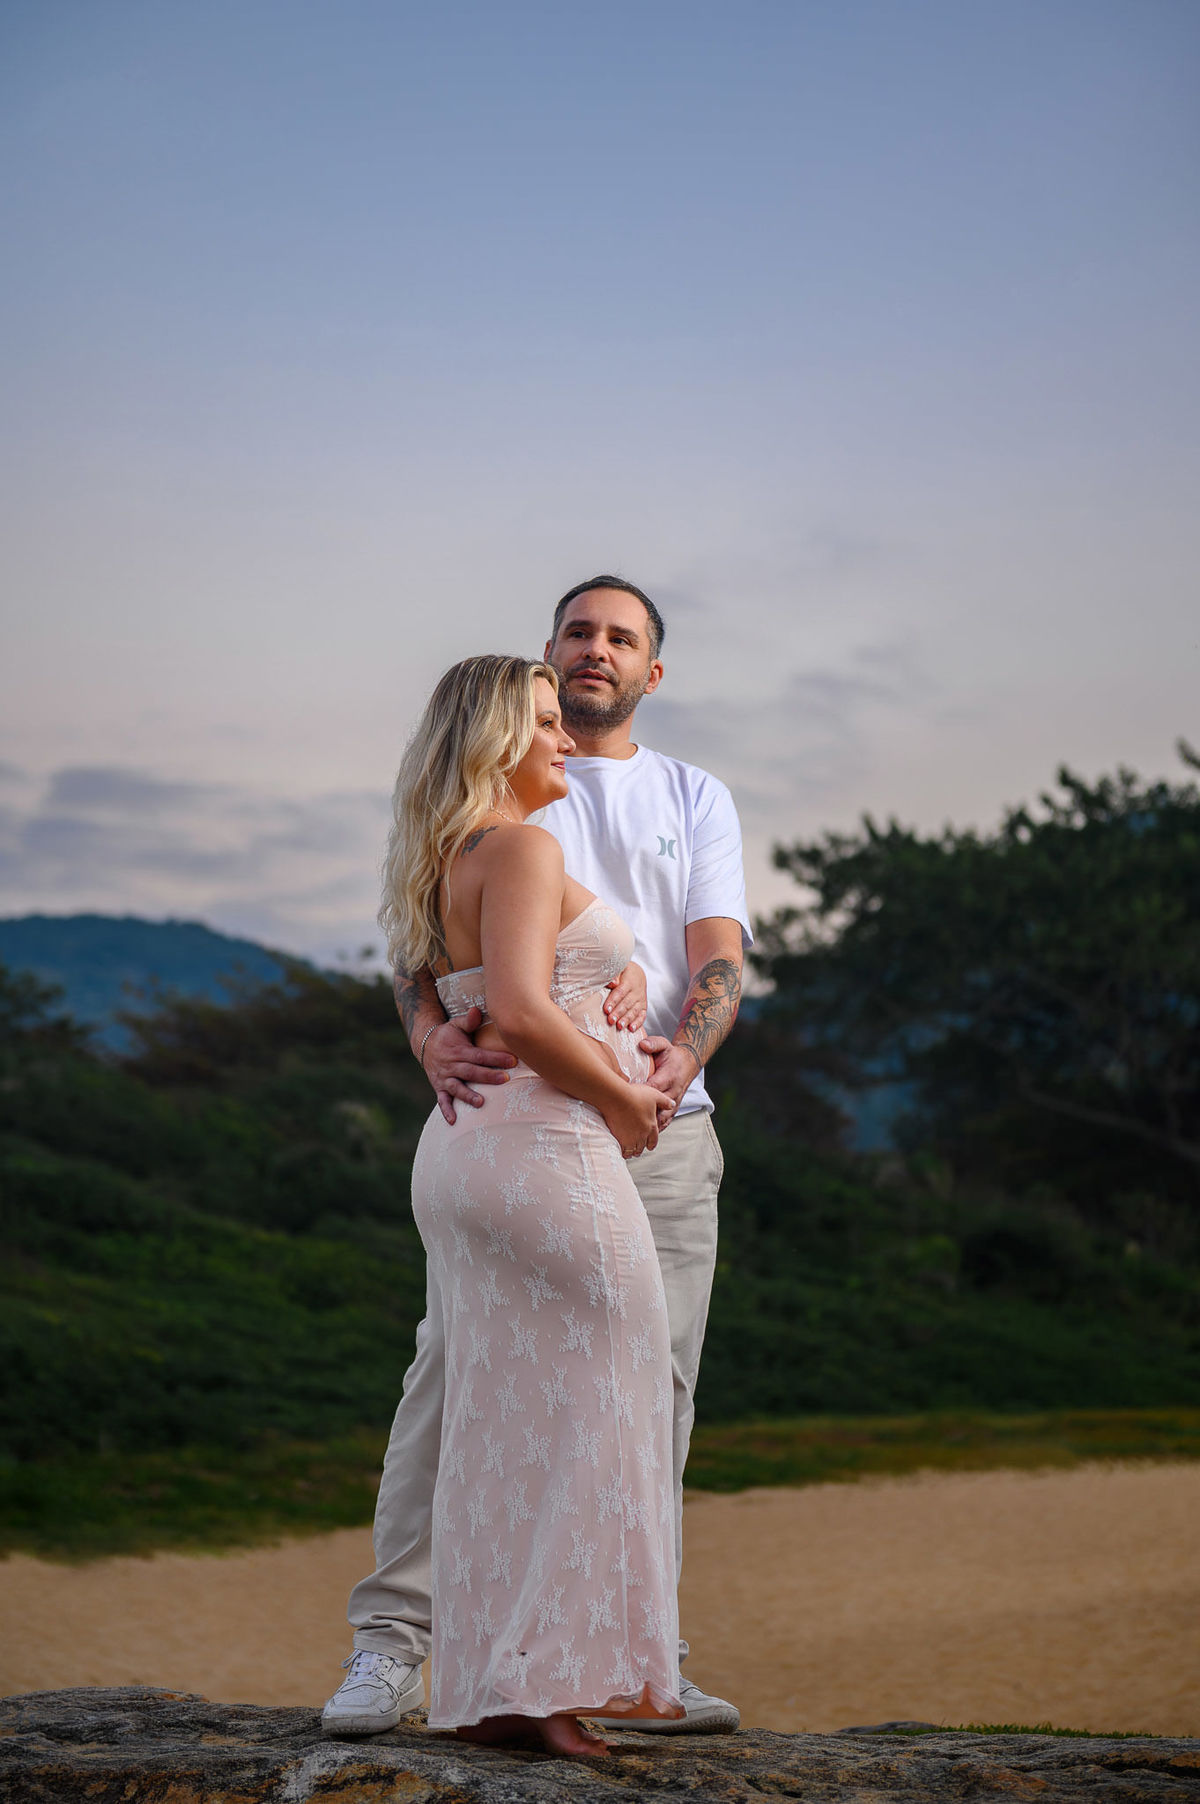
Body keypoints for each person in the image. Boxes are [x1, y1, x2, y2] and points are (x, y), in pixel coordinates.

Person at [323, 578, 750, 1737]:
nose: (595, 651)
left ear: (652, 671)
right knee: (456, 1378)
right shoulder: (495, 793)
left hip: (663, 1129)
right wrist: (428, 1039)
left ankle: (624, 1646)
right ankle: (397, 1647)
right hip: (541, 1129)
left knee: (646, 1392)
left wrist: (662, 1060)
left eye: (622, 637)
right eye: (578, 631)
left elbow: (715, 958)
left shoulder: (690, 794)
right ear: (544, 657)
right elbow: (426, 956)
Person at [373, 652, 683, 1755]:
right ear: (496, 737)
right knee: (605, 1400)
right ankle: (544, 1685)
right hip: (546, 1145)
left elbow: (502, 981)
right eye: (545, 721)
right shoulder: (521, 843)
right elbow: (516, 1004)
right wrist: (628, 1102)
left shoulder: (449, 856)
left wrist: (623, 977)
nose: (565, 738)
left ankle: (499, 1684)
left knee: (506, 1419)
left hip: (468, 1154)